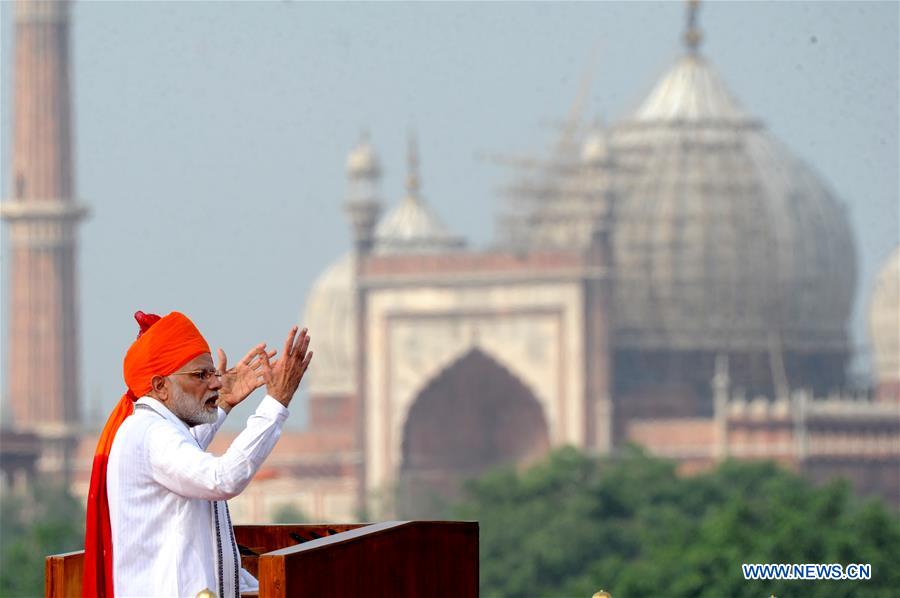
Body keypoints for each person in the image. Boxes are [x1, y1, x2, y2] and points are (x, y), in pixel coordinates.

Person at [83, 311, 312, 598]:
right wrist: (276, 405)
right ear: (160, 386)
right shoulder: (150, 433)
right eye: (201, 375)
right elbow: (222, 478)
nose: (215, 383)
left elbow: (188, 452)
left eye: (213, 373)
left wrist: (224, 403)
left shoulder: (153, 428)